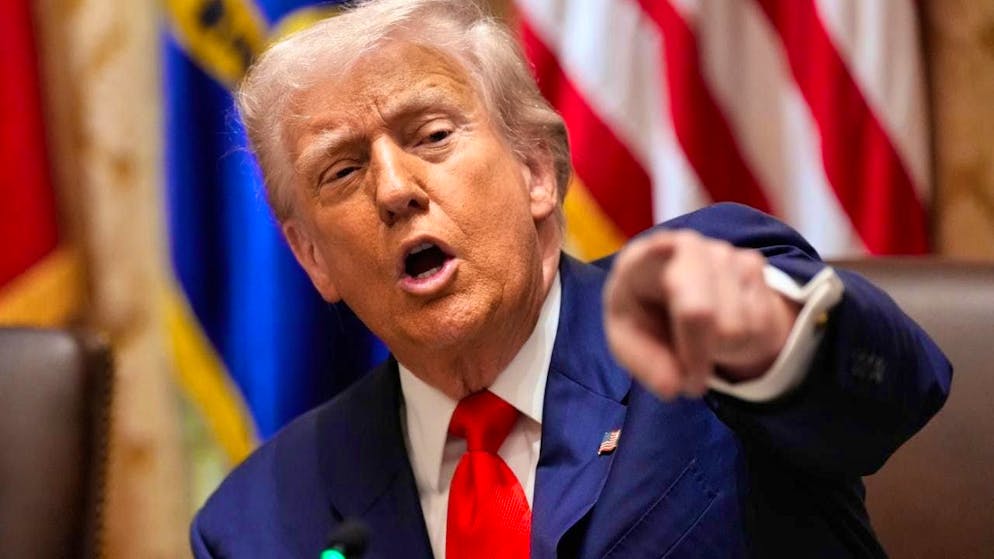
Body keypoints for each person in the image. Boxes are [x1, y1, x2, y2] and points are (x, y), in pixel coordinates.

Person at [190, 1, 951, 557]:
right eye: (343, 169)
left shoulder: (704, 304)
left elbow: (894, 392)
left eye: (432, 134)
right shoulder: (258, 523)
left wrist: (776, 339)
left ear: (536, 172)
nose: (394, 188)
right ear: (312, 258)